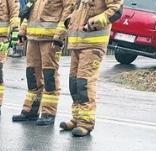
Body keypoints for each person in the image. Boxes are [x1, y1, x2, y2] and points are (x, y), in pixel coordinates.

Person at [58, 0, 121, 136]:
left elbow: (116, 10)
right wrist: (70, 21)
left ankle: (86, 122)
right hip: (77, 44)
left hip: (93, 45)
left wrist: (92, 23)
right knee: (74, 83)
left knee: (84, 83)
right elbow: (77, 10)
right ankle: (76, 118)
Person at [11, 0, 65, 125]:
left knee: (49, 75)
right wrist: (23, 31)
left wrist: (59, 36)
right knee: (32, 75)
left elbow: (67, 13)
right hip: (33, 38)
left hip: (50, 40)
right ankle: (31, 110)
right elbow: (29, 12)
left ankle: (48, 112)